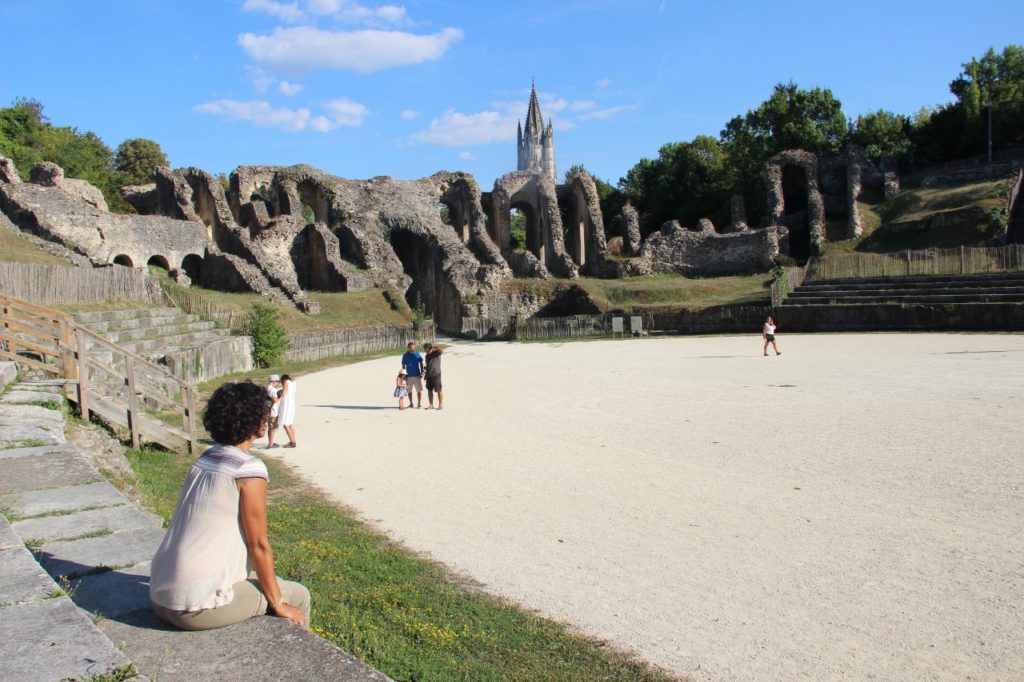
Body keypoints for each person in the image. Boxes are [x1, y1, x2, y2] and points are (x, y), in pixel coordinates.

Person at [149, 381, 310, 631]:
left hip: (160, 593)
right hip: (193, 606)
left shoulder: (207, 457)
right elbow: (258, 544)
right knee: (299, 595)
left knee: (261, 581)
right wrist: (279, 603)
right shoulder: (248, 469)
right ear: (253, 420)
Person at [400, 342, 425, 408]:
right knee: (409, 391)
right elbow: (403, 365)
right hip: (408, 376)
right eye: (411, 348)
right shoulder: (405, 355)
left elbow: (421, 363)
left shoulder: (417, 354)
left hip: (417, 375)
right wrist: (404, 375)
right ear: (408, 348)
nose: (413, 349)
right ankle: (411, 403)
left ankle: (419, 403)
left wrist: (422, 372)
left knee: (419, 390)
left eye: (414, 348)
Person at [278, 374, 297, 447]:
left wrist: (279, 392)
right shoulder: (294, 383)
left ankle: (292, 442)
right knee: (290, 423)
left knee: (285, 424)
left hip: (287, 404)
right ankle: (293, 440)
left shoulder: (286, 382)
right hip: (291, 403)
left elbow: (284, 393)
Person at [424, 342, 444, 410]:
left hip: (436, 374)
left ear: (431, 348)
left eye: (427, 350)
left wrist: (435, 346)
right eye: (425, 350)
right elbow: (428, 365)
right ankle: (431, 405)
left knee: (439, 390)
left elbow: (442, 351)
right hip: (429, 375)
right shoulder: (426, 356)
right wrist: (426, 371)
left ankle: (440, 405)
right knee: (429, 390)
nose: (426, 351)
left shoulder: (436, 353)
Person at [265, 374, 281, 448]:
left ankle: (270, 442)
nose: (278, 383)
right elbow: (274, 400)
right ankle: (270, 444)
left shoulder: (267, 387)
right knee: (273, 428)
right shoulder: (273, 390)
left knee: (271, 428)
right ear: (274, 381)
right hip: (273, 411)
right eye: (277, 381)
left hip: (268, 410)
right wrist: (280, 396)